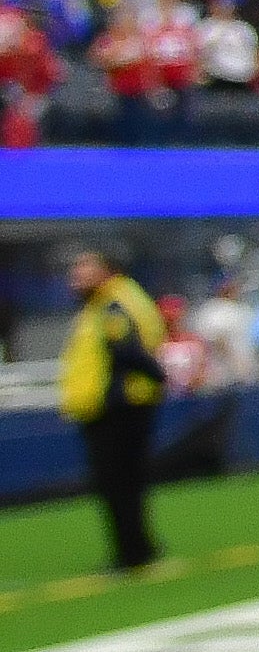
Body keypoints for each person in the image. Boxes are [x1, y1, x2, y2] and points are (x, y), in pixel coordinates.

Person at [58, 244, 168, 574]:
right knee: (125, 480)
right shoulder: (108, 302)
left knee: (117, 480)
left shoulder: (112, 304)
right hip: (118, 403)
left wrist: (158, 376)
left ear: (106, 270)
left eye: (84, 268)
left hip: (118, 405)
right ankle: (138, 547)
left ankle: (131, 553)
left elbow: (127, 350)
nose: (75, 276)